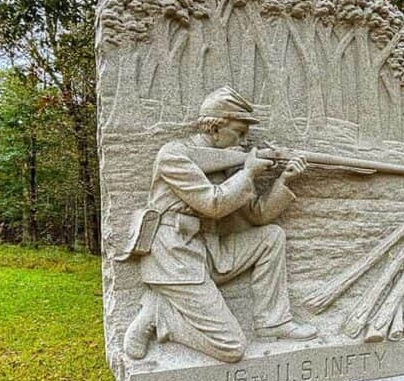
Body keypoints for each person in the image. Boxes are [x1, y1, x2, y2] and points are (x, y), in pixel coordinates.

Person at [124, 86, 318, 363]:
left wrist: (283, 180)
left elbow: (258, 216)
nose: (244, 140)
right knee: (231, 347)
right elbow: (213, 204)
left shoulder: (227, 161)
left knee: (271, 236)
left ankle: (273, 322)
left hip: (210, 251)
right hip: (174, 258)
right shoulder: (174, 155)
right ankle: (160, 313)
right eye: (239, 132)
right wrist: (248, 171)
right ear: (215, 129)